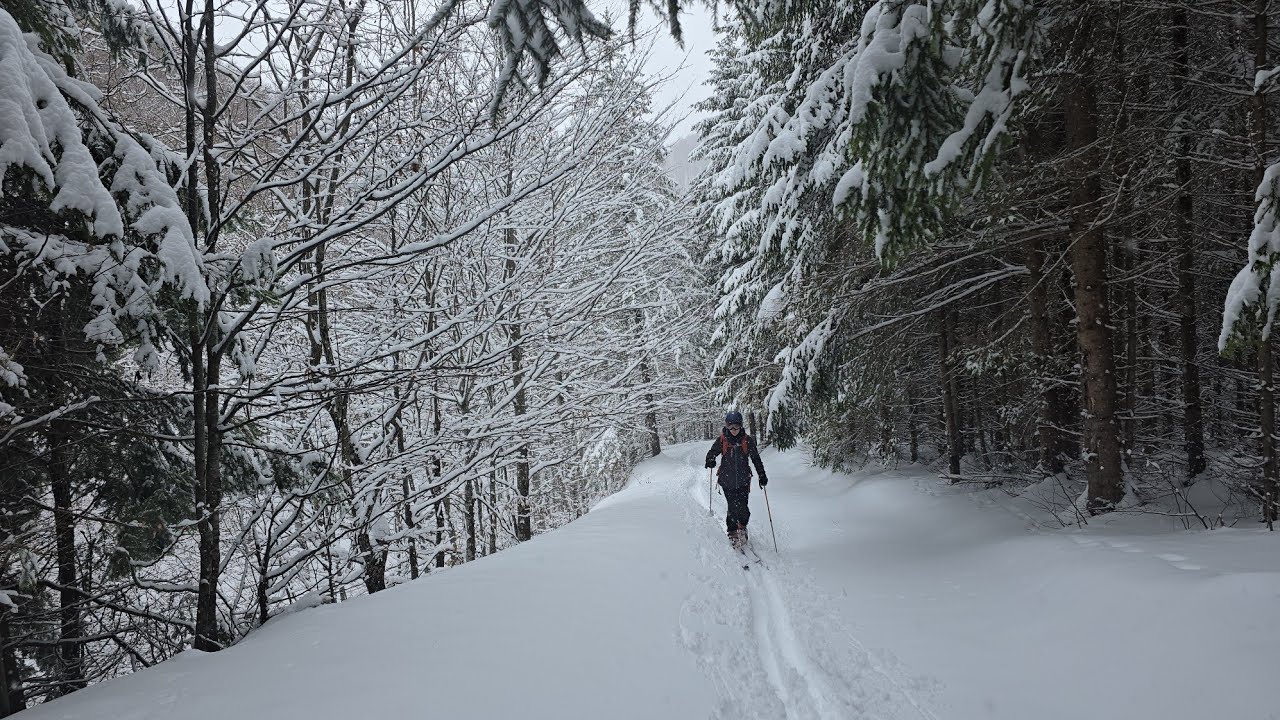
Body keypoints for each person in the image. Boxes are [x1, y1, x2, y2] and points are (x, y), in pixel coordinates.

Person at [705, 411, 768, 549]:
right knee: (732, 507)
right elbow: (712, 452)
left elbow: (756, 459)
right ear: (727, 426)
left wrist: (762, 475)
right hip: (727, 481)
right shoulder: (722, 440)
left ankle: (742, 526)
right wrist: (710, 460)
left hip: (744, 481)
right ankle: (732, 531)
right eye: (731, 427)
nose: (734, 430)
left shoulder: (747, 440)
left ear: (741, 426)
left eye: (736, 427)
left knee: (743, 508)